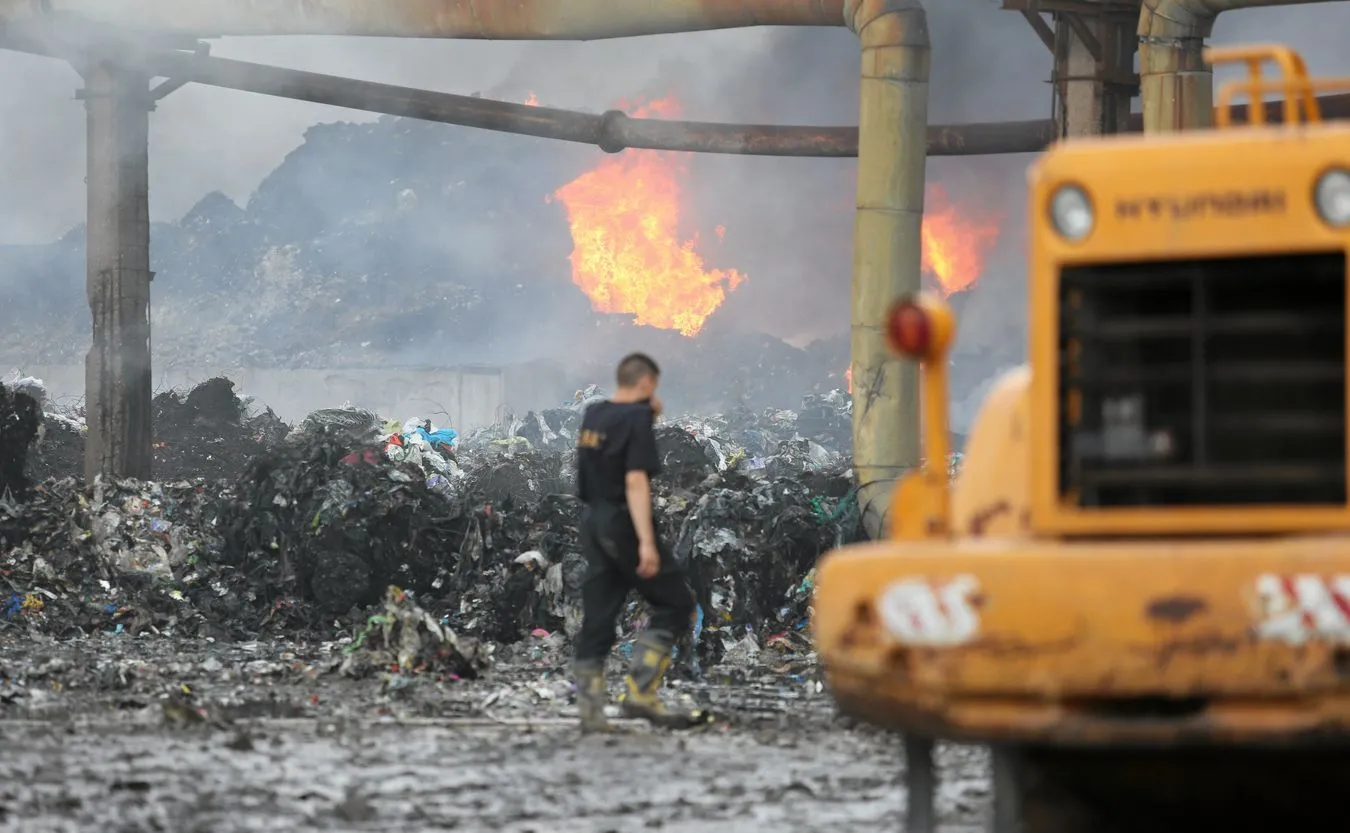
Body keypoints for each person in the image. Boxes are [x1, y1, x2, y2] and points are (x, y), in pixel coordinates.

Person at [572, 352, 697, 732]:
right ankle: (641, 694)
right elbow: (635, 480)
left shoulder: (595, 414)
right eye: (653, 387)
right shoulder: (636, 418)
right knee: (676, 603)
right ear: (645, 383)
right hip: (624, 522)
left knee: (599, 616)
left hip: (593, 521)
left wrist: (647, 413)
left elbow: (611, 444)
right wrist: (646, 542)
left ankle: (591, 713)